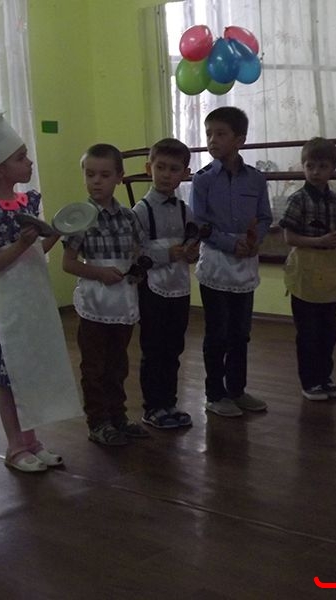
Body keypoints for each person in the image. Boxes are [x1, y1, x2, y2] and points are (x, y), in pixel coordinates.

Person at [0, 111, 80, 471]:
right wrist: (22, 243)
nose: (29, 163)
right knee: (10, 379)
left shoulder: (28, 203)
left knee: (30, 370)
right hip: (7, 303)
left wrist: (57, 232)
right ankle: (15, 447)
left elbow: (36, 252)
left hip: (34, 300)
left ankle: (32, 441)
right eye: (20, 158)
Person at [62, 143, 148, 446]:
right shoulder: (79, 218)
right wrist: (99, 273)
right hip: (95, 302)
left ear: (119, 178)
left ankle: (118, 416)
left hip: (122, 299)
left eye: (104, 175)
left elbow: (138, 252)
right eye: (90, 175)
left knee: (117, 363)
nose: (96, 181)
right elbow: (68, 263)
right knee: (95, 365)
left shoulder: (129, 217)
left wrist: (137, 270)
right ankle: (98, 421)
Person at [189, 106, 273, 418]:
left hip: (245, 262)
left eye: (220, 134)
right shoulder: (202, 180)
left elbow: (264, 217)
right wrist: (229, 243)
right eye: (209, 134)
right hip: (216, 262)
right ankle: (215, 394)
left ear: (240, 140)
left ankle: (237, 390)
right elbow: (199, 224)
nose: (212, 140)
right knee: (218, 333)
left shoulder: (256, 179)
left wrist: (253, 240)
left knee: (240, 333)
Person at [278, 137, 336, 401]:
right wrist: (319, 241)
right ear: (303, 166)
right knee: (308, 332)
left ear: (333, 168)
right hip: (305, 269)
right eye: (310, 166)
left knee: (328, 331)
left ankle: (325, 378)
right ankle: (310, 382)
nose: (315, 172)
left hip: (331, 270)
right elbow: (289, 237)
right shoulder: (297, 200)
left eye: (322, 166)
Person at [132, 138, 197, 429]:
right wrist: (165, 254)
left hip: (179, 287)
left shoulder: (185, 209)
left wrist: (192, 252)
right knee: (154, 348)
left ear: (185, 173)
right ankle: (152, 406)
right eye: (161, 167)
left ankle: (169, 402)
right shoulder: (141, 211)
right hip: (152, 287)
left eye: (174, 169)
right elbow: (134, 252)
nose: (166, 174)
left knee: (174, 347)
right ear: (149, 168)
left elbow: (192, 241)